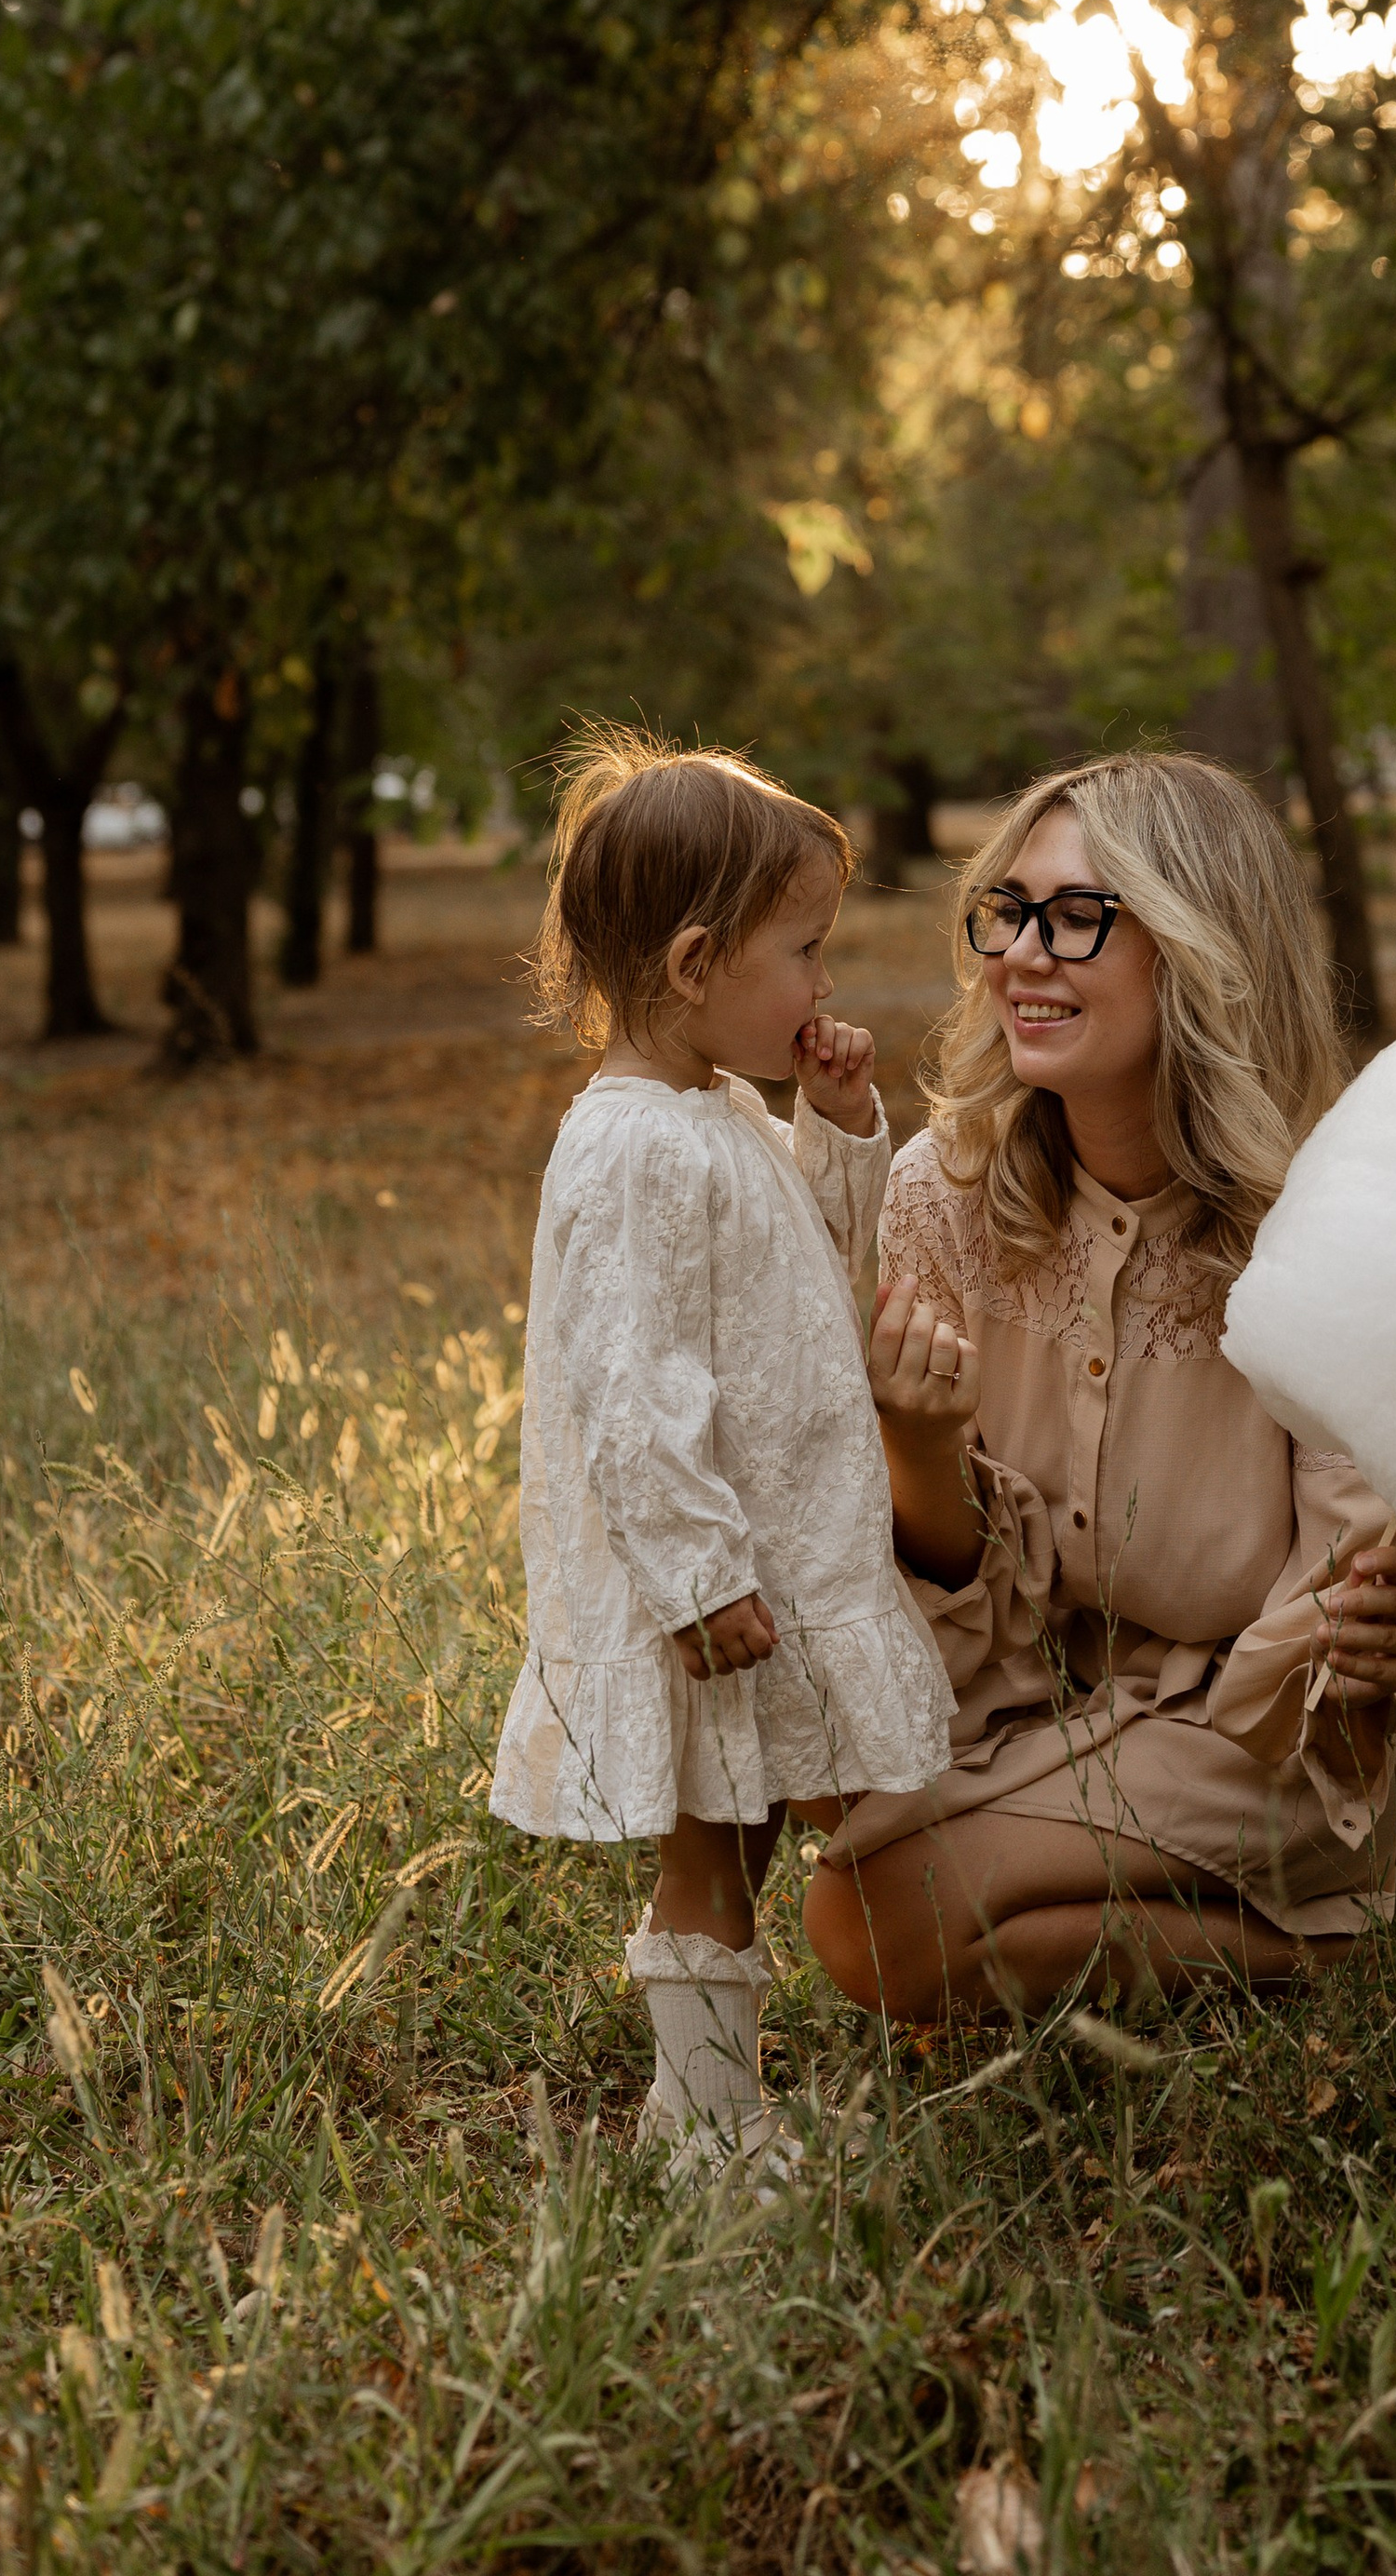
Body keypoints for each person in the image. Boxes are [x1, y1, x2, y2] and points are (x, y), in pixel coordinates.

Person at [803, 750, 1396, 2020]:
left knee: (865, 1924)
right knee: (827, 1800)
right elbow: (967, 1612)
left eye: (1078, 918)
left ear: (1200, 944)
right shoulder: (942, 1199)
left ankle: (1354, 1943)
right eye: (1006, 911)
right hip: (1029, 1702)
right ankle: (1298, 1942)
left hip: (1257, 1740)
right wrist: (915, 1445)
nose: (1021, 954)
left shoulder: (1336, 1236)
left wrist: (1377, 1638)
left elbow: (1345, 1615)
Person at [490, 728, 958, 2165]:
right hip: (710, 1584)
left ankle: (709, 2103)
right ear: (696, 968)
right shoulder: (631, 1146)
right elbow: (626, 1389)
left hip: (770, 1551)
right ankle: (702, 2125)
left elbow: (809, 1266)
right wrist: (695, 1578)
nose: (826, 984)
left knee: (743, 1834)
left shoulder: (718, 1114)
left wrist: (841, 1127)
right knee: (711, 1846)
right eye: (805, 953)